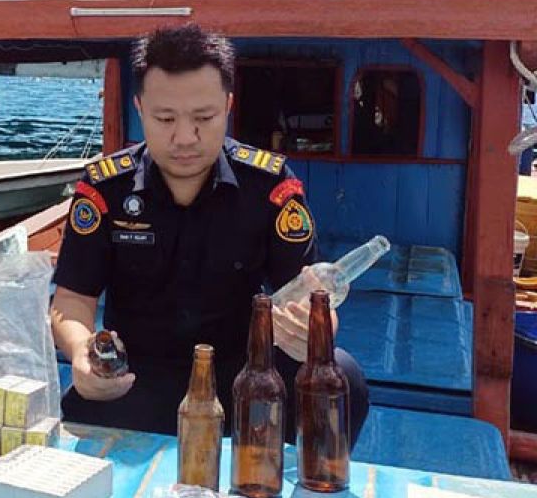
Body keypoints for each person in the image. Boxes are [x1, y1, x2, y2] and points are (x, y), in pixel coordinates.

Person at [50, 24, 369, 441]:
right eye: (165, 118)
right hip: (136, 377)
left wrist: (309, 330)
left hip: (244, 378)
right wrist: (80, 353)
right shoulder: (104, 189)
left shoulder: (272, 188)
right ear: (139, 107)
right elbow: (72, 299)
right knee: (78, 406)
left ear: (229, 106)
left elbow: (314, 297)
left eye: (204, 117)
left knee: (341, 376)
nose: (185, 138)